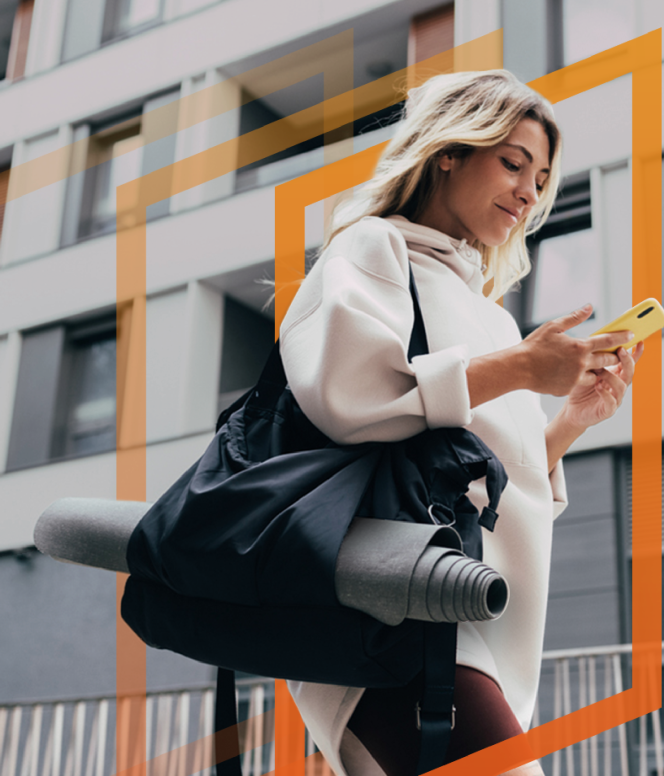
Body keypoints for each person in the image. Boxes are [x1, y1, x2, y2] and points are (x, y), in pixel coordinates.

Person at [276, 69, 645, 776]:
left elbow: (485, 482)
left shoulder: (492, 312)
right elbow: (349, 399)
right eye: (512, 163)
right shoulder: (373, 248)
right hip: (393, 612)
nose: (529, 192)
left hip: (468, 614)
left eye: (540, 178)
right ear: (450, 150)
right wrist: (522, 370)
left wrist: (567, 419)